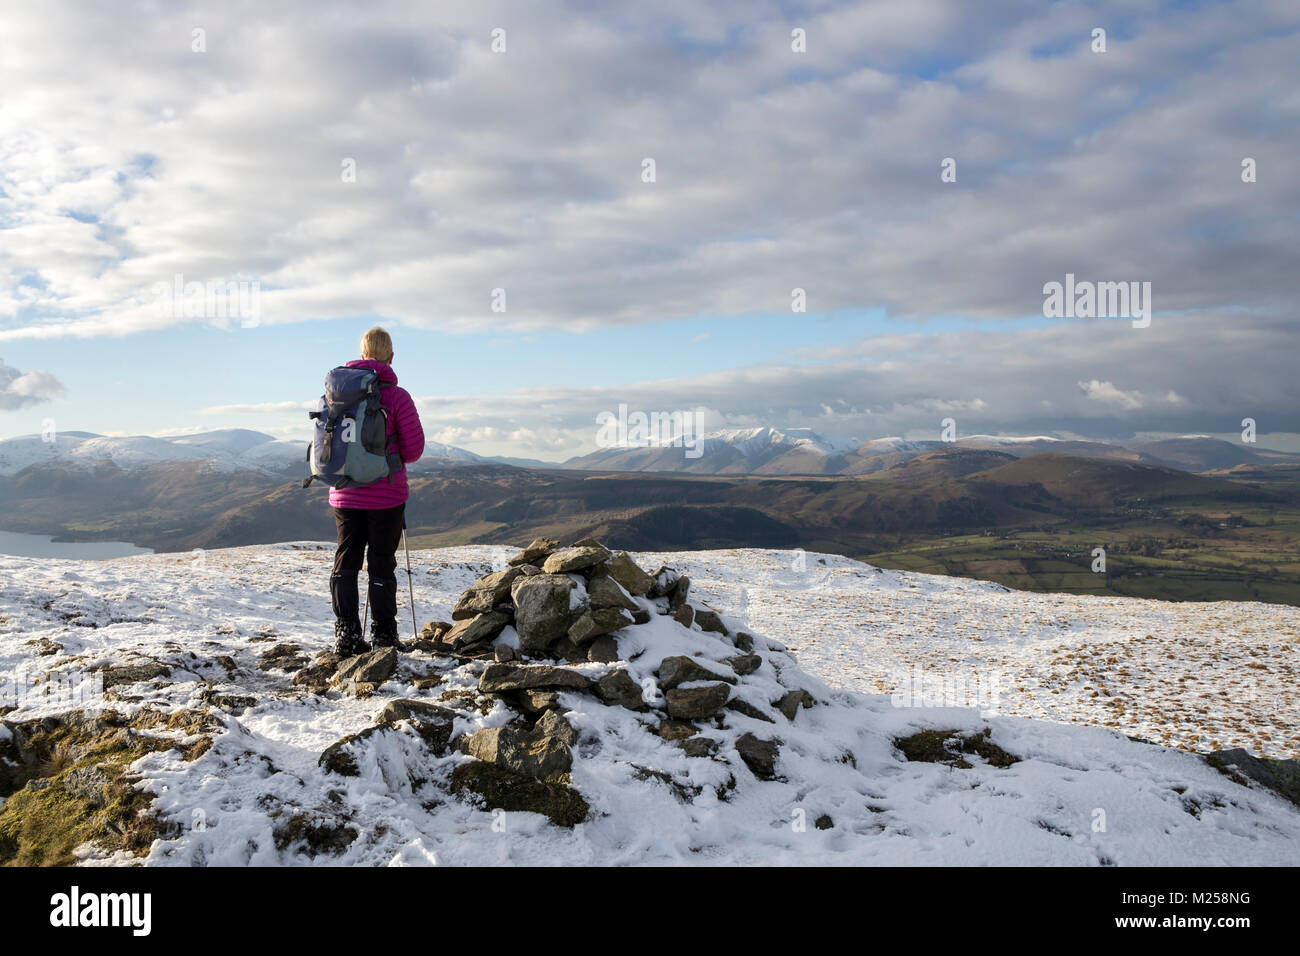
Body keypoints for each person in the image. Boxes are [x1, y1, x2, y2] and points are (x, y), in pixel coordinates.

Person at [328, 327, 425, 656]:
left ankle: (347, 634)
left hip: (344, 493)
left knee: (346, 560)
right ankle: (384, 636)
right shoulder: (398, 397)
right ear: (391, 357)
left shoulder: (336, 394)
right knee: (381, 563)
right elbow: (412, 451)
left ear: (361, 353)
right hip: (386, 495)